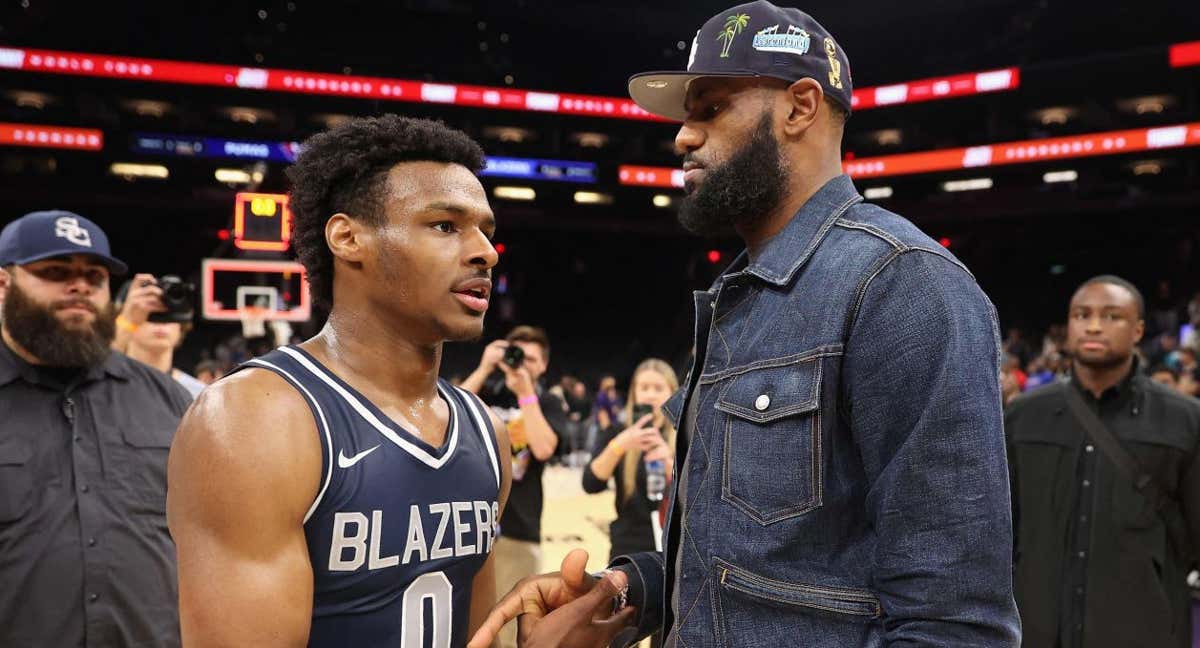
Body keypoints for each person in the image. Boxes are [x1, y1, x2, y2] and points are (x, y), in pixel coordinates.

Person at [469, 2, 1020, 647]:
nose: (682, 136)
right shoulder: (743, 295)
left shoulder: (904, 284)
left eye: (710, 109)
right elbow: (763, 564)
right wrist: (630, 591)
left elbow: (954, 625)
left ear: (800, 108)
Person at [167, 115, 512, 647]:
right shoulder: (256, 418)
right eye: (445, 225)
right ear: (348, 238)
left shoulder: (484, 430)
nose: (485, 252)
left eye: (486, 232)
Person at [0, 210, 192, 647]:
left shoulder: (169, 400)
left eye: (94, 275)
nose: (80, 285)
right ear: (3, 285)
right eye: (55, 272)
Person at [1006, 275, 1200, 648]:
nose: (1094, 325)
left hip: (1144, 631)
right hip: (1036, 631)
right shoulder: (1023, 416)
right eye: (1082, 315)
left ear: (1139, 329)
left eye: (1113, 316)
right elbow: (1002, 531)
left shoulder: (1185, 421)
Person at [460, 324, 566, 648]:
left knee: (506, 633)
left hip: (519, 530)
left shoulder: (546, 401)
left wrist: (525, 393)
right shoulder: (488, 393)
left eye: (531, 359)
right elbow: (449, 414)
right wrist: (484, 368)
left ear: (544, 365)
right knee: (469, 629)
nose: (522, 365)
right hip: (472, 527)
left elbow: (545, 448)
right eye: (516, 356)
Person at [583, 359, 678, 561]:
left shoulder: (686, 434)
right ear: (634, 393)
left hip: (675, 546)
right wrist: (620, 445)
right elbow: (591, 484)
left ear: (672, 393)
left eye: (658, 388)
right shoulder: (616, 433)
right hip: (629, 548)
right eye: (644, 388)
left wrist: (670, 464)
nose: (651, 394)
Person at [112, 277, 206, 398]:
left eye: (171, 314)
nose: (161, 323)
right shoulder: (103, 387)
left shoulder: (200, 395)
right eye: (150, 314)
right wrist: (126, 324)